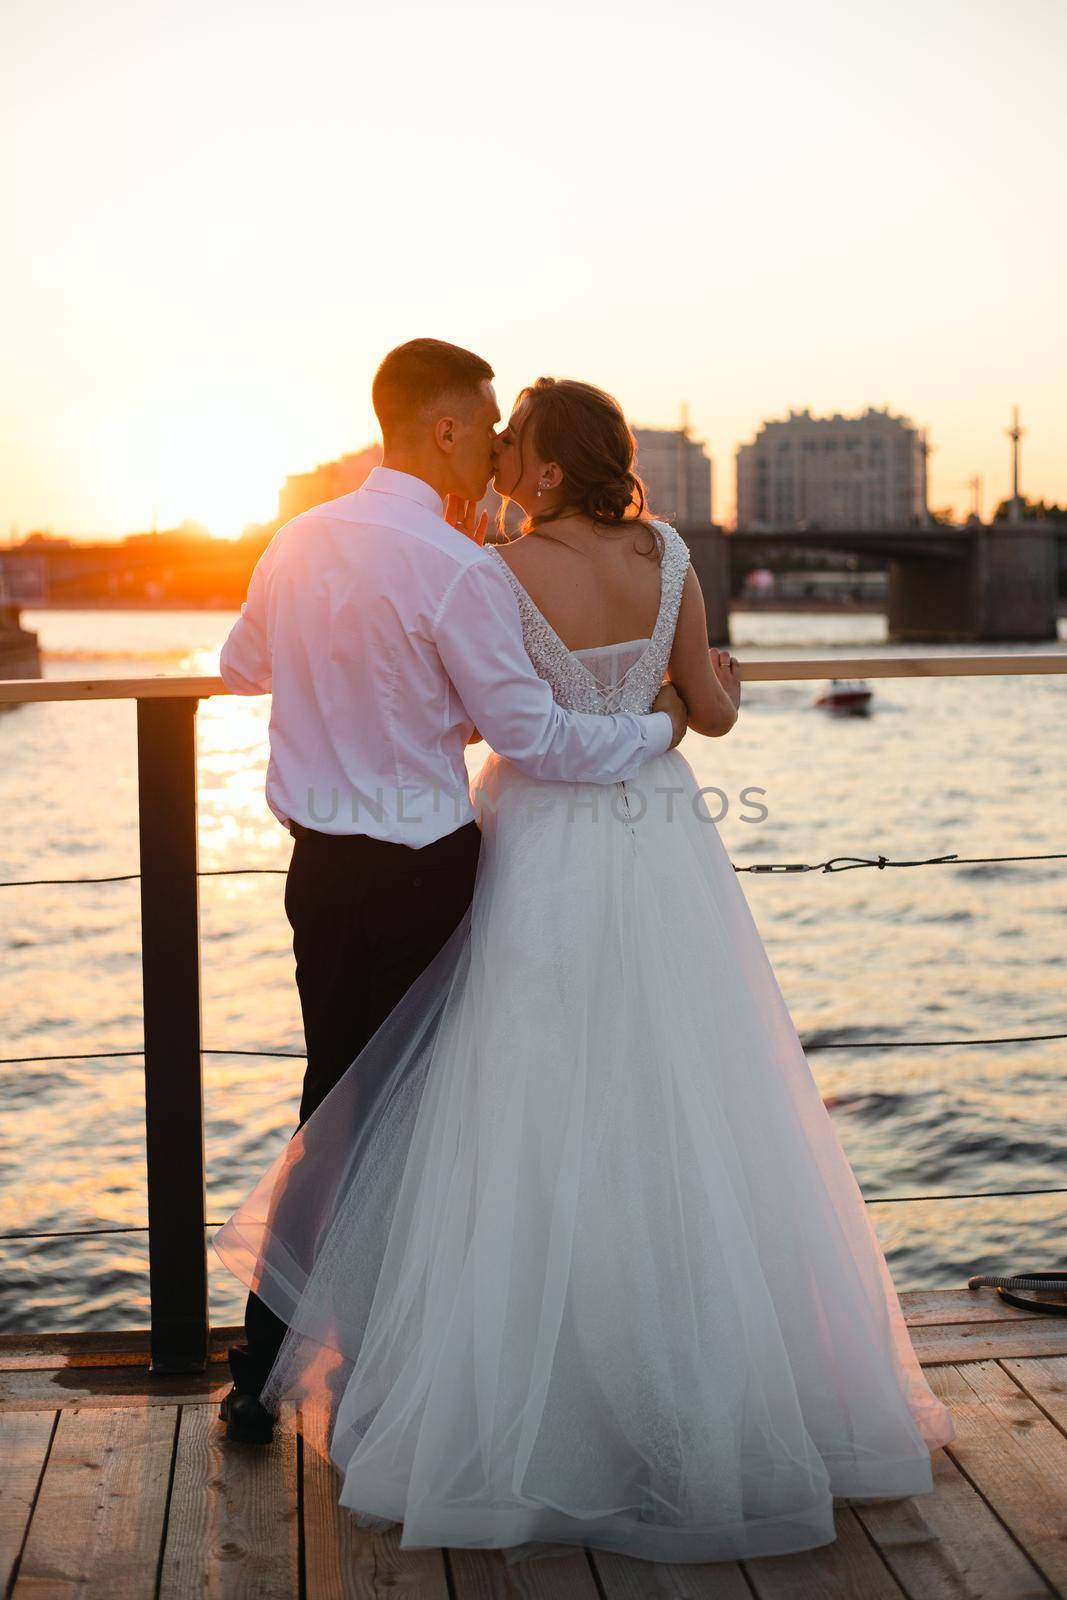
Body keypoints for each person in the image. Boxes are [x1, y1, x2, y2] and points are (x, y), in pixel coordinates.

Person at [213, 374, 955, 1567]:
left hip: (520, 851)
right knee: (687, 1090)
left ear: (545, 469)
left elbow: (475, 718)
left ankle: (357, 1369)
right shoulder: (663, 552)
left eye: (515, 448)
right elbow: (706, 710)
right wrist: (678, 706)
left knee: (507, 1097)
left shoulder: (483, 571)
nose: (499, 460)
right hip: (659, 841)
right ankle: (711, 1377)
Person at [214, 341, 688, 1446]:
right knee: (426, 1120)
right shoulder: (457, 566)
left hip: (318, 874)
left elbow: (241, 668)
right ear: (441, 431)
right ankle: (407, 1376)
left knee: (330, 1103)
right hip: (423, 873)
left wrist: (344, 671)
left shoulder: (294, 540)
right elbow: (537, 739)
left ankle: (263, 1369)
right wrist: (660, 725)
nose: (495, 448)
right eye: (484, 427)